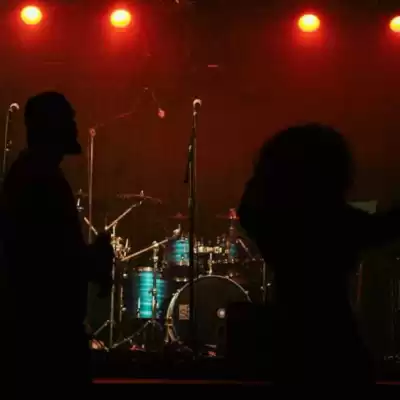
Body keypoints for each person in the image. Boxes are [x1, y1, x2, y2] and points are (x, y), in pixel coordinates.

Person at [237, 124, 400, 387]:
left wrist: (264, 172)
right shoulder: (335, 222)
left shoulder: (275, 224)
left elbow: (248, 209)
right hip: (336, 344)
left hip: (287, 346)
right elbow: (385, 227)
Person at [1, 92, 113, 389]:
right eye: (68, 119)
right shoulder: (41, 180)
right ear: (51, 126)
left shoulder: (30, 174)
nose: (75, 126)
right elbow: (54, 260)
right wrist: (96, 258)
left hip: (35, 333)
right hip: (46, 338)